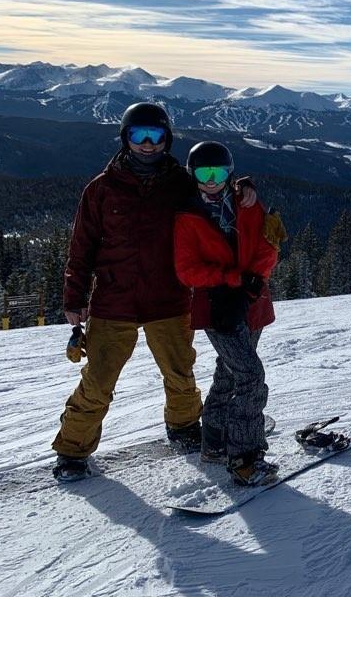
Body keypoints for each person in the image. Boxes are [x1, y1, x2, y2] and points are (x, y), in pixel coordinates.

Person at [52, 102, 257, 483]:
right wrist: (74, 299)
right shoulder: (101, 190)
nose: (147, 144)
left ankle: (182, 427)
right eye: (138, 136)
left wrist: (244, 187)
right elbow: (81, 249)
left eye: (156, 136)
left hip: (169, 299)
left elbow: (217, 191)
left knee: (180, 373)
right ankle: (72, 450)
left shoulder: (180, 183)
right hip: (114, 302)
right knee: (98, 380)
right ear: (125, 139)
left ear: (167, 139)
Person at [173, 141, 279, 486]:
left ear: (230, 173)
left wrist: (255, 280)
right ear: (192, 174)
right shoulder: (187, 215)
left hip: (252, 301)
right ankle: (245, 457)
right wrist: (233, 278)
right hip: (219, 306)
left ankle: (215, 441)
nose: (212, 180)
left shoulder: (247, 202)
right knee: (249, 374)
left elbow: (269, 244)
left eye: (219, 173)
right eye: (204, 173)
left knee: (229, 372)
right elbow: (187, 270)